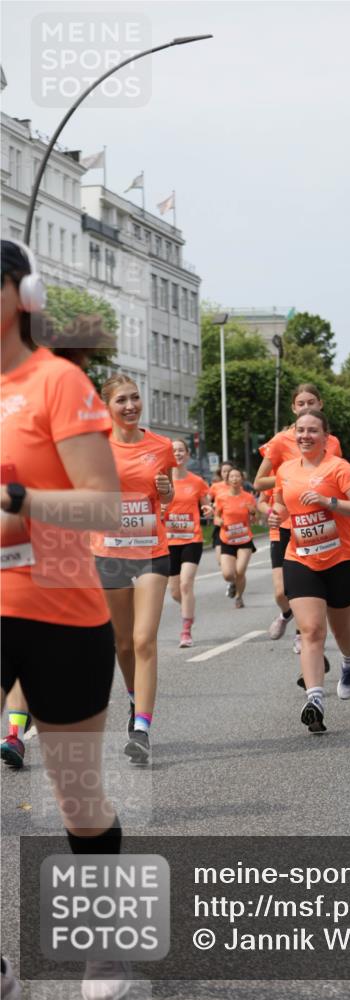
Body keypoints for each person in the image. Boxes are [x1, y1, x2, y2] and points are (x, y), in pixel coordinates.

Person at [1, 238, 128, 999]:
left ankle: (105, 942)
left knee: (76, 795)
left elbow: (103, 506)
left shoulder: (57, 382)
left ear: (23, 295)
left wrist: (20, 502)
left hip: (59, 613)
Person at [91, 374, 176, 766]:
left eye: (135, 398)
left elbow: (166, 495)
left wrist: (167, 493)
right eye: (122, 400)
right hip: (108, 553)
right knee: (122, 644)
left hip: (151, 551)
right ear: (107, 406)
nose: (130, 406)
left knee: (144, 640)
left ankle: (142, 728)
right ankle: (133, 698)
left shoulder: (160, 446)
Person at [270, 409, 350, 734]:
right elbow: (281, 506)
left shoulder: (338, 467)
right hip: (301, 559)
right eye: (300, 430)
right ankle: (315, 700)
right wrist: (275, 516)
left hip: (343, 560)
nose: (305, 436)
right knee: (312, 630)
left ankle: (349, 661)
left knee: (342, 632)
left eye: (313, 430)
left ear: (326, 437)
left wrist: (331, 502)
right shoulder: (285, 470)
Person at [254, 383, 342, 653]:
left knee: (308, 587)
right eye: (301, 403)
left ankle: (302, 633)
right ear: (293, 408)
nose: (306, 407)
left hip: (315, 523)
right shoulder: (280, 441)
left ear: (320, 404)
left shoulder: (332, 441)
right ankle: (287, 613)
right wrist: (290, 476)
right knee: (281, 592)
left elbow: (336, 478)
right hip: (284, 522)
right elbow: (259, 482)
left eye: (311, 402)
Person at [166, 438, 212, 646]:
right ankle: (189, 609)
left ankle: (186, 631)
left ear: (187, 455)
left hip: (191, 539)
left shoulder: (197, 481)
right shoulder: (162, 481)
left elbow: (206, 505)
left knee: (186, 583)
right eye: (173, 451)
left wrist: (208, 510)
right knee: (175, 591)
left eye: (181, 450)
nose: (177, 454)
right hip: (168, 541)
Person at [215, 468, 257, 608]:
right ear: (227, 480)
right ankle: (232, 583)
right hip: (227, 539)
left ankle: (239, 597)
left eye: (237, 476)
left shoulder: (248, 497)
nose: (234, 479)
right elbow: (216, 517)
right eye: (231, 476)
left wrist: (253, 513)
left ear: (242, 479)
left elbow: (254, 520)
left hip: (244, 539)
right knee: (228, 574)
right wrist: (219, 521)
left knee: (240, 571)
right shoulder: (221, 497)